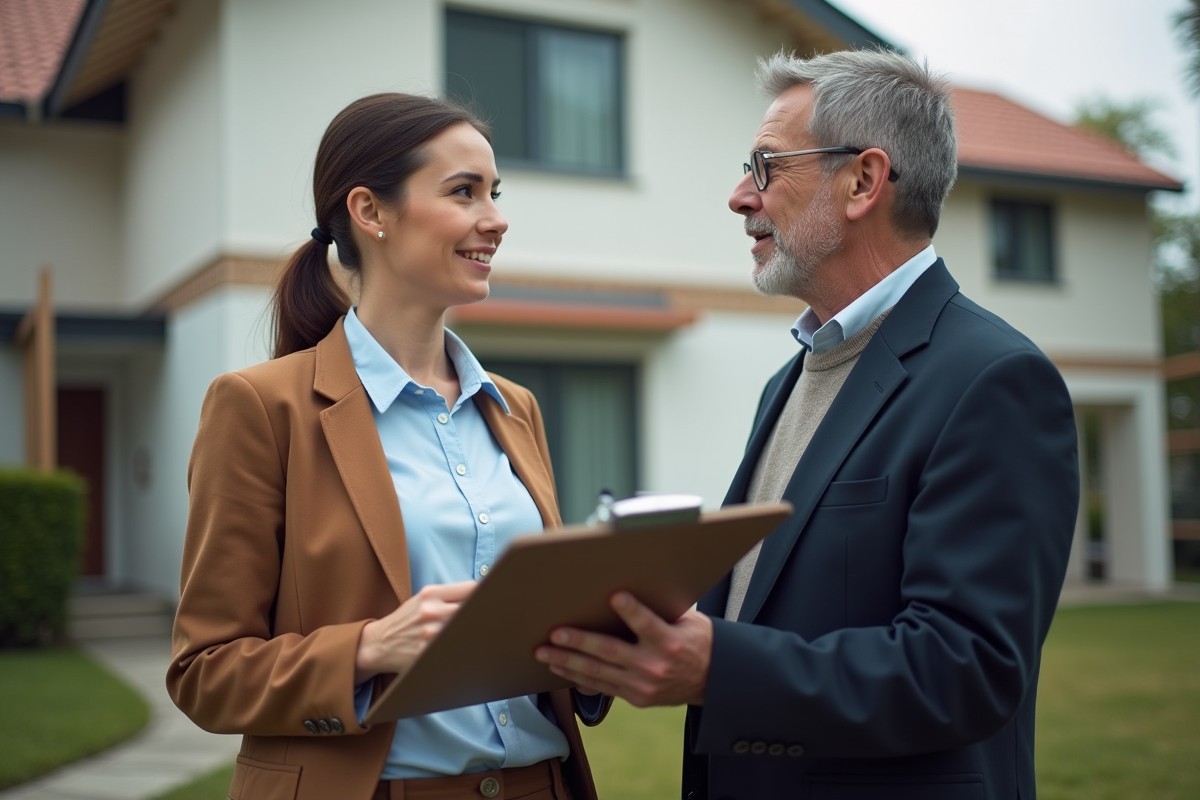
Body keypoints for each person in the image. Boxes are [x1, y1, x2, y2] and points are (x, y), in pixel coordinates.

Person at [534, 49, 1079, 800]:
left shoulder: (993, 380)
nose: (739, 197)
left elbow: (968, 669)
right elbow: (763, 604)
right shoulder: (787, 381)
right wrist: (622, 629)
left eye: (765, 167)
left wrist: (718, 668)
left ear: (863, 181)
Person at [168, 93, 605, 800]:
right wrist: (367, 649)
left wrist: (594, 643)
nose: (496, 219)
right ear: (370, 211)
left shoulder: (514, 408)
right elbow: (204, 674)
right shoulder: (260, 408)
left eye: (494, 193)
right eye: (463, 191)